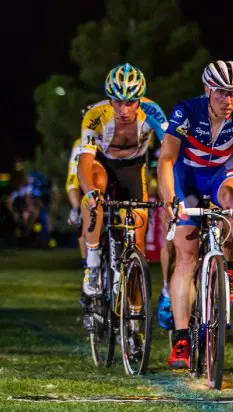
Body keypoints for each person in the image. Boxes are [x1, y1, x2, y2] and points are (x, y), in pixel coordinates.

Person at [158, 60, 233, 368]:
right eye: (222, 93)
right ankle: (182, 339)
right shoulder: (187, 110)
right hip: (188, 176)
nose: (229, 101)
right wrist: (170, 198)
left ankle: (229, 265)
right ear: (208, 89)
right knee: (186, 256)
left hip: (222, 170)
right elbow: (167, 158)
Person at [78, 63, 168, 313]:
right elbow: (85, 162)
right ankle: (93, 264)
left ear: (140, 100)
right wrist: (90, 192)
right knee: (93, 194)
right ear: (110, 99)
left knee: (137, 245)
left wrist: (171, 191)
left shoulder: (153, 112)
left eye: (130, 102)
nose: (124, 109)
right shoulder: (95, 115)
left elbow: (170, 154)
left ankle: (135, 316)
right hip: (102, 165)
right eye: (117, 102)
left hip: (133, 169)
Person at [65, 137, 86, 269]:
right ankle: (88, 267)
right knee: (84, 222)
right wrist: (76, 207)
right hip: (86, 187)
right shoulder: (80, 143)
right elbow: (73, 178)